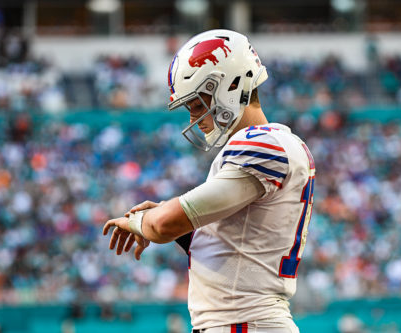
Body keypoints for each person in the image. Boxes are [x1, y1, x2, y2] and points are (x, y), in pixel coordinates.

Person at [103, 29, 316, 333]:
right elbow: (236, 248)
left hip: (245, 324)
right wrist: (173, 225)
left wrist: (143, 220)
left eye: (197, 105)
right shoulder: (274, 144)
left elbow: (161, 225)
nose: (195, 120)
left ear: (228, 86)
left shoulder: (262, 145)